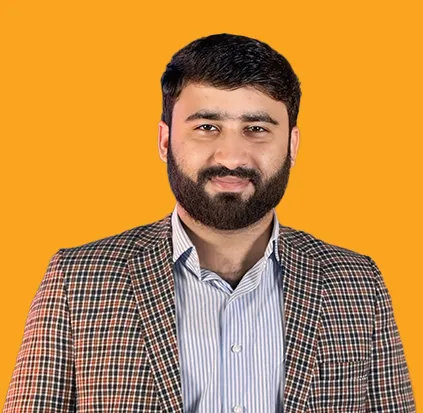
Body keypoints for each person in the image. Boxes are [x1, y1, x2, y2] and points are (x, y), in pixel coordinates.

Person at [3, 33, 415, 413]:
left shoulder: (358, 283)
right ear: (165, 140)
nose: (232, 156)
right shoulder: (77, 280)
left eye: (256, 128)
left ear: (292, 145)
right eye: (206, 127)